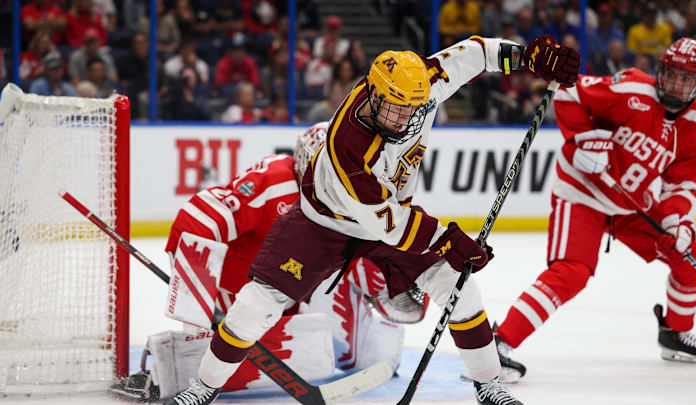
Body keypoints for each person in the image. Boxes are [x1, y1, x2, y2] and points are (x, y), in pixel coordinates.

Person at [163, 33, 580, 405]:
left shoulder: (422, 85)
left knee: (459, 286)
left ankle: (489, 385)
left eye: (411, 111)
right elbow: (388, 223)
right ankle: (203, 388)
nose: (403, 119)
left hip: (388, 216)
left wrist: (528, 56)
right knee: (256, 304)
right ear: (374, 95)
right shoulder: (349, 143)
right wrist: (447, 239)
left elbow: (475, 54)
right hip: (325, 222)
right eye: (394, 110)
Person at [111, 123, 426, 401]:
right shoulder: (277, 181)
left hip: (286, 304)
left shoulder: (345, 206)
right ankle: (177, 365)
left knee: (353, 342)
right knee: (233, 356)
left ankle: (369, 350)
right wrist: (201, 309)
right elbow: (198, 218)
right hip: (240, 301)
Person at [494, 37, 696, 384]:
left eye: (686, 79)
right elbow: (569, 92)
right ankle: (498, 343)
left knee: (695, 258)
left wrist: (676, 225)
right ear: (661, 70)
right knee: (572, 272)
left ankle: (675, 334)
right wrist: (585, 138)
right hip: (583, 193)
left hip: (632, 207)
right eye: (672, 74)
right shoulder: (631, 88)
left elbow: (682, 186)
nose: (676, 84)